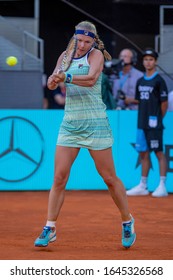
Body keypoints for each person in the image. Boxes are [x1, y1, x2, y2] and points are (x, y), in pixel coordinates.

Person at [34, 20, 136, 249]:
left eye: (87, 42)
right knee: (59, 178)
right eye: (79, 41)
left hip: (95, 124)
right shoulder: (64, 56)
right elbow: (52, 84)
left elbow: (90, 80)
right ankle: (49, 227)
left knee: (109, 178)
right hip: (70, 125)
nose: (82, 45)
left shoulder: (96, 55)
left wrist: (66, 78)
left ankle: (127, 220)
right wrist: (53, 81)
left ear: (93, 41)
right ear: (75, 38)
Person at [126, 48, 168, 197]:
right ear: (143, 62)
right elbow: (141, 99)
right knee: (143, 153)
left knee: (159, 153)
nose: (148, 62)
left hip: (154, 124)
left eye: (151, 59)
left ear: (155, 62)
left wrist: (157, 119)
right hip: (141, 123)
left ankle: (162, 185)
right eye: (145, 59)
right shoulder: (140, 80)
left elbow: (164, 103)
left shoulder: (159, 81)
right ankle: (143, 185)